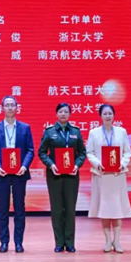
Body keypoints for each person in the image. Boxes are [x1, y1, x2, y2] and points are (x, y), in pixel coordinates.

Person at [0, 95, 35, 253]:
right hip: (2, 173)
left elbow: (30, 150)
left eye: (12, 105)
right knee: (3, 209)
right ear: (2, 108)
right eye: (7, 105)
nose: (9, 107)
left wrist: (24, 166)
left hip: (20, 173)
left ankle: (19, 242)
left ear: (16, 107)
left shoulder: (25, 128)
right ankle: (4, 242)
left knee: (20, 208)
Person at [38, 102, 86, 253]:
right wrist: (51, 164)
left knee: (70, 209)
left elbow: (82, 153)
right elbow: (42, 152)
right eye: (60, 111)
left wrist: (77, 165)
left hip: (72, 175)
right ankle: (59, 242)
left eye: (66, 111)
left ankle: (70, 242)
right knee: (57, 209)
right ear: (56, 114)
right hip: (55, 175)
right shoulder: (49, 132)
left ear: (70, 114)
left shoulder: (76, 131)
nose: (63, 114)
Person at [85, 104, 131, 253]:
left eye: (110, 113)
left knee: (117, 209)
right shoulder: (94, 133)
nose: (108, 116)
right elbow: (89, 152)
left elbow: (128, 152)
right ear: (100, 116)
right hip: (102, 175)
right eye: (105, 114)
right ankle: (107, 241)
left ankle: (117, 241)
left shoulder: (121, 132)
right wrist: (97, 164)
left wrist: (122, 164)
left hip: (117, 176)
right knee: (105, 209)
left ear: (114, 115)